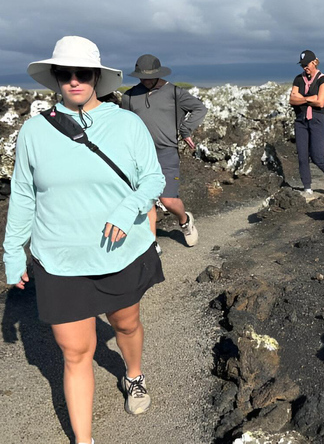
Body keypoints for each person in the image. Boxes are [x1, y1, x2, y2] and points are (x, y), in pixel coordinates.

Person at [4, 36, 166, 444]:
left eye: (83, 73)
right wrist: (12, 253)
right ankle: (85, 440)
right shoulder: (34, 132)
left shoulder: (126, 124)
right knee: (76, 353)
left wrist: (123, 210)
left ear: (97, 76)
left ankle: (133, 374)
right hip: (58, 260)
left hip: (119, 253)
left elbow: (152, 179)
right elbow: (24, 194)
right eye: (65, 73)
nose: (74, 81)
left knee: (126, 325)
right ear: (55, 78)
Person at [121, 54, 206, 250]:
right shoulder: (129, 96)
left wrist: (185, 130)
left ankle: (185, 221)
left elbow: (199, 109)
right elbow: (124, 123)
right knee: (146, 200)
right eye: (141, 76)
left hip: (167, 152)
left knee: (168, 200)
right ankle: (152, 245)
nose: (145, 80)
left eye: (150, 76)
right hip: (139, 156)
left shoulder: (175, 93)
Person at [289, 50, 324, 195]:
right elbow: (292, 100)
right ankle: (308, 189)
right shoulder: (298, 79)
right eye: (302, 64)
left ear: (314, 62)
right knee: (302, 156)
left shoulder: (322, 80)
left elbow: (320, 102)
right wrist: (309, 98)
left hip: (317, 119)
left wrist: (302, 97)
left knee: (317, 156)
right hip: (300, 120)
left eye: (307, 64)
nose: (304, 67)